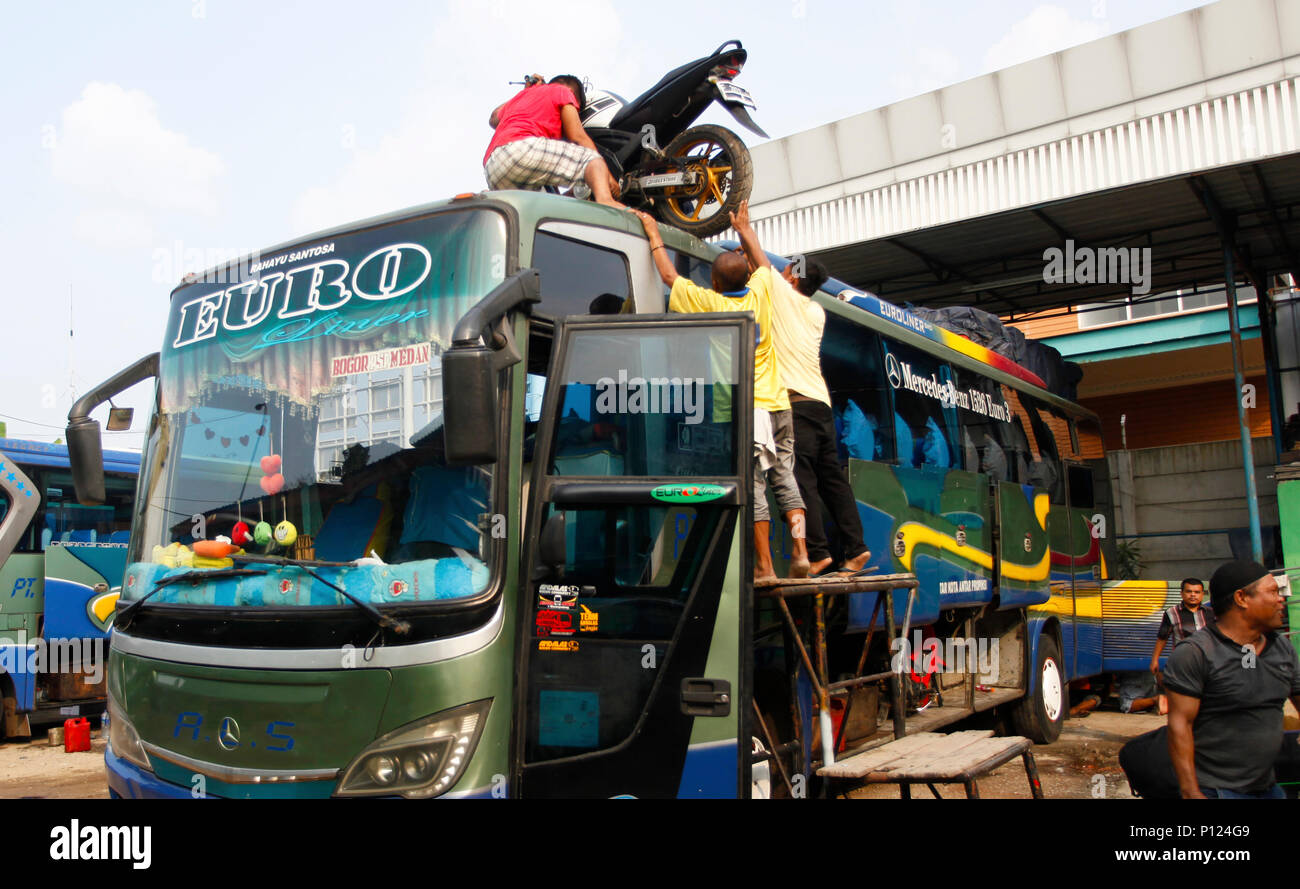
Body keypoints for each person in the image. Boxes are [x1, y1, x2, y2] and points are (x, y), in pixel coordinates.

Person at [634, 204, 810, 582]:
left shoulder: (710, 302)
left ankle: (764, 567)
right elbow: (762, 263)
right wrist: (745, 229)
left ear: (714, 284)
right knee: (786, 479)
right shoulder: (762, 291)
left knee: (755, 485)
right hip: (780, 406)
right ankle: (800, 553)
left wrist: (652, 230)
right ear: (748, 276)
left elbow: (667, 274)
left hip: (748, 411)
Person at [740, 246, 870, 576]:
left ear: (794, 277)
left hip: (797, 405)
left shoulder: (786, 296)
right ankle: (857, 550)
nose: (783, 273)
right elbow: (772, 271)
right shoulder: (816, 311)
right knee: (834, 483)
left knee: (800, 480)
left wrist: (744, 228)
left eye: (789, 270)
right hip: (821, 404)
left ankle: (818, 553)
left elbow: (764, 265)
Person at [1164, 559, 1300, 798]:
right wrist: (1191, 792)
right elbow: (1179, 726)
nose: (1281, 599)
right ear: (1241, 598)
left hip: (1269, 788)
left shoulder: (1282, 648)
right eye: (1273, 592)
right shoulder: (1196, 653)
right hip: (1216, 791)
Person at [483, 74, 624, 208]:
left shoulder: (523, 96)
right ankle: (607, 202)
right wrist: (606, 177)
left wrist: (528, 90)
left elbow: (493, 118)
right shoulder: (563, 91)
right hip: (520, 150)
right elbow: (577, 136)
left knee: (550, 201)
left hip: (493, 168)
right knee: (591, 158)